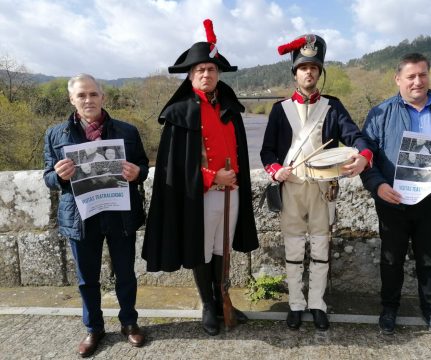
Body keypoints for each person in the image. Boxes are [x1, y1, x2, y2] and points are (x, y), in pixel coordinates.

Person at [142, 19, 259, 336]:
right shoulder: (180, 112)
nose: (206, 75)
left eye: (210, 69)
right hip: (202, 193)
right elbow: (172, 166)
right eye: (199, 71)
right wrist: (211, 176)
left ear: (218, 73)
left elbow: (239, 151)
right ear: (191, 75)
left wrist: (232, 177)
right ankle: (208, 304)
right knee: (203, 248)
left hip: (231, 192)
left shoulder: (230, 106)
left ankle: (224, 299)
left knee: (223, 249)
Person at [260, 34, 373, 331]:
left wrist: (363, 155)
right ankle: (296, 304)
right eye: (303, 67)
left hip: (323, 189)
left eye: (314, 67)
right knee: (294, 250)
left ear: (319, 73)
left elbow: (356, 137)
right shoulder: (279, 109)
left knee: (322, 250)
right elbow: (267, 152)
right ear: (295, 72)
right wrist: (275, 170)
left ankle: (317, 304)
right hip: (292, 188)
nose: (309, 72)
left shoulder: (333, 107)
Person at [360, 53, 431, 340]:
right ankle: (389, 310)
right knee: (390, 258)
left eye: (422, 75)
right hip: (392, 198)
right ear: (398, 79)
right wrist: (377, 186)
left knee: (429, 259)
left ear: (428, 76)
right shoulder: (380, 114)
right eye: (410, 76)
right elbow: (365, 155)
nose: (417, 81)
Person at [43, 74, 149, 357]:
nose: (88, 100)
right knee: (86, 277)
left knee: (125, 273)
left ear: (103, 97)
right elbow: (48, 178)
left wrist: (138, 173)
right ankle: (94, 328)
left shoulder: (127, 131)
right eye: (82, 95)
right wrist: (59, 176)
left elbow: (143, 166)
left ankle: (129, 323)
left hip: (119, 213)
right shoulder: (55, 134)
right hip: (81, 216)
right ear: (72, 100)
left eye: (93, 94)